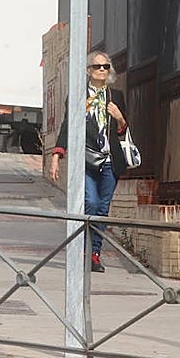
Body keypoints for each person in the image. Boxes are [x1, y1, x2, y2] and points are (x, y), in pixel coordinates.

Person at [49, 51, 129, 273]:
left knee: (102, 208)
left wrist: (120, 118)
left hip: (110, 160)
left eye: (105, 66)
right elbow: (67, 127)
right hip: (85, 160)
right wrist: (57, 156)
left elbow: (123, 131)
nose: (102, 70)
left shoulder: (116, 96)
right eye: (97, 67)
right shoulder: (78, 97)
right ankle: (83, 249)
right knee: (91, 204)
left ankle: (94, 254)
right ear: (88, 71)